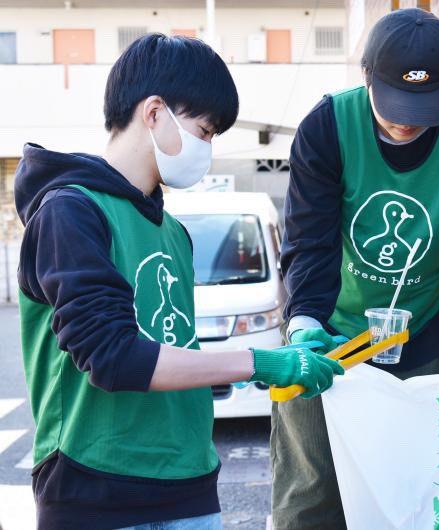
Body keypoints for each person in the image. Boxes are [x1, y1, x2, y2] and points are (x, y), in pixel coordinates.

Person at [14, 34, 342, 530]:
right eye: (205, 131)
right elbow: (112, 356)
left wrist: (288, 359)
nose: (207, 148)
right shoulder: (71, 211)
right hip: (95, 489)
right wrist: (258, 360)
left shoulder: (173, 233)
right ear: (153, 112)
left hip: (189, 483)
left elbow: (175, 347)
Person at [273, 8, 439, 530]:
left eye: (422, 105)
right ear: (367, 76)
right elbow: (310, 241)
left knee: (415, 489)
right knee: (311, 494)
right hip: (331, 336)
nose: (406, 119)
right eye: (395, 101)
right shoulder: (327, 127)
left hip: (422, 337)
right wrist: (304, 323)